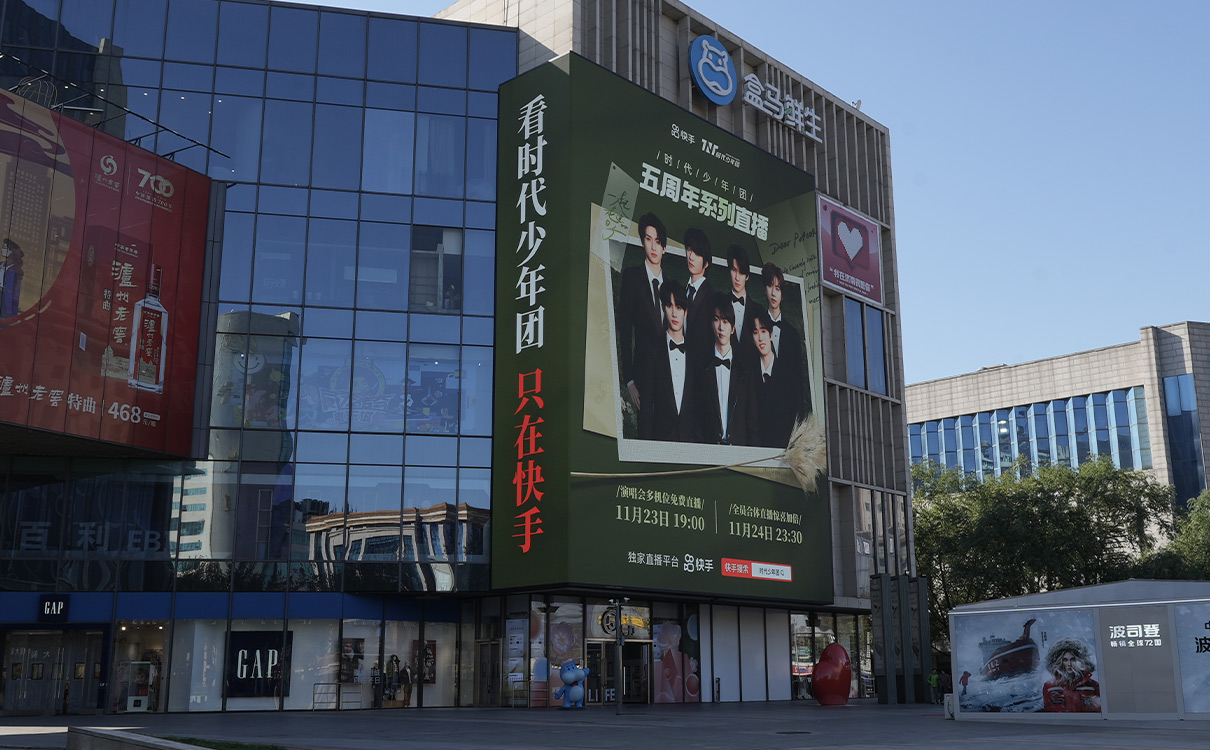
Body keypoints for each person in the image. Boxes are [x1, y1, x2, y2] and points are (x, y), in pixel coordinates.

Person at [618, 212, 672, 411]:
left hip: (669, 379)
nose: (653, 247)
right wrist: (630, 380)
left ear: (664, 247)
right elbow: (625, 331)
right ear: (642, 242)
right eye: (649, 239)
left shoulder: (671, 286)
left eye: (658, 241)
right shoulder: (632, 278)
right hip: (642, 377)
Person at [637, 284, 699, 442]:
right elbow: (646, 407)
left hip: (689, 442)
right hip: (660, 440)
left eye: (679, 307)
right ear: (663, 308)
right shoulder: (652, 351)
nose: (674, 313)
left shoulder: (695, 355)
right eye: (669, 306)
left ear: (685, 312)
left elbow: (699, 407)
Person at [692, 294, 756, 445]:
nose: (721, 327)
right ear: (711, 324)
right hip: (708, 449)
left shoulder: (745, 370)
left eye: (725, 322)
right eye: (717, 320)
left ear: (733, 328)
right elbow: (696, 415)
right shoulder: (701, 367)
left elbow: (752, 421)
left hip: (738, 450)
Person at [751, 309, 802, 448]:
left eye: (763, 331)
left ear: (771, 335)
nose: (760, 338)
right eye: (755, 332)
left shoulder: (790, 380)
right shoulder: (748, 377)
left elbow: (796, 422)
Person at [724, 244, 766, 365]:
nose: (737, 277)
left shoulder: (759, 310)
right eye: (734, 270)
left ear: (747, 276)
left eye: (741, 272)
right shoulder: (720, 304)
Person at [681, 228, 716, 356]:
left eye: (697, 253)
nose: (691, 257)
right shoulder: (681, 293)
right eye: (689, 249)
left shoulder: (713, 297)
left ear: (706, 263)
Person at [1042, 638, 1101, 713]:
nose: (1069, 664)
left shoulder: (1093, 686)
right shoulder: (1049, 687)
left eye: (1073, 659)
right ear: (1059, 661)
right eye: (1065, 660)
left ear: (1080, 661)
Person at [0, 238, 23, 318]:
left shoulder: (15, 271)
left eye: (4, 248)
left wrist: (13, 313)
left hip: (4, 298)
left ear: (11, 251)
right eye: (3, 247)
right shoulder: (1, 264)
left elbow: (16, 294)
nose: (2, 249)